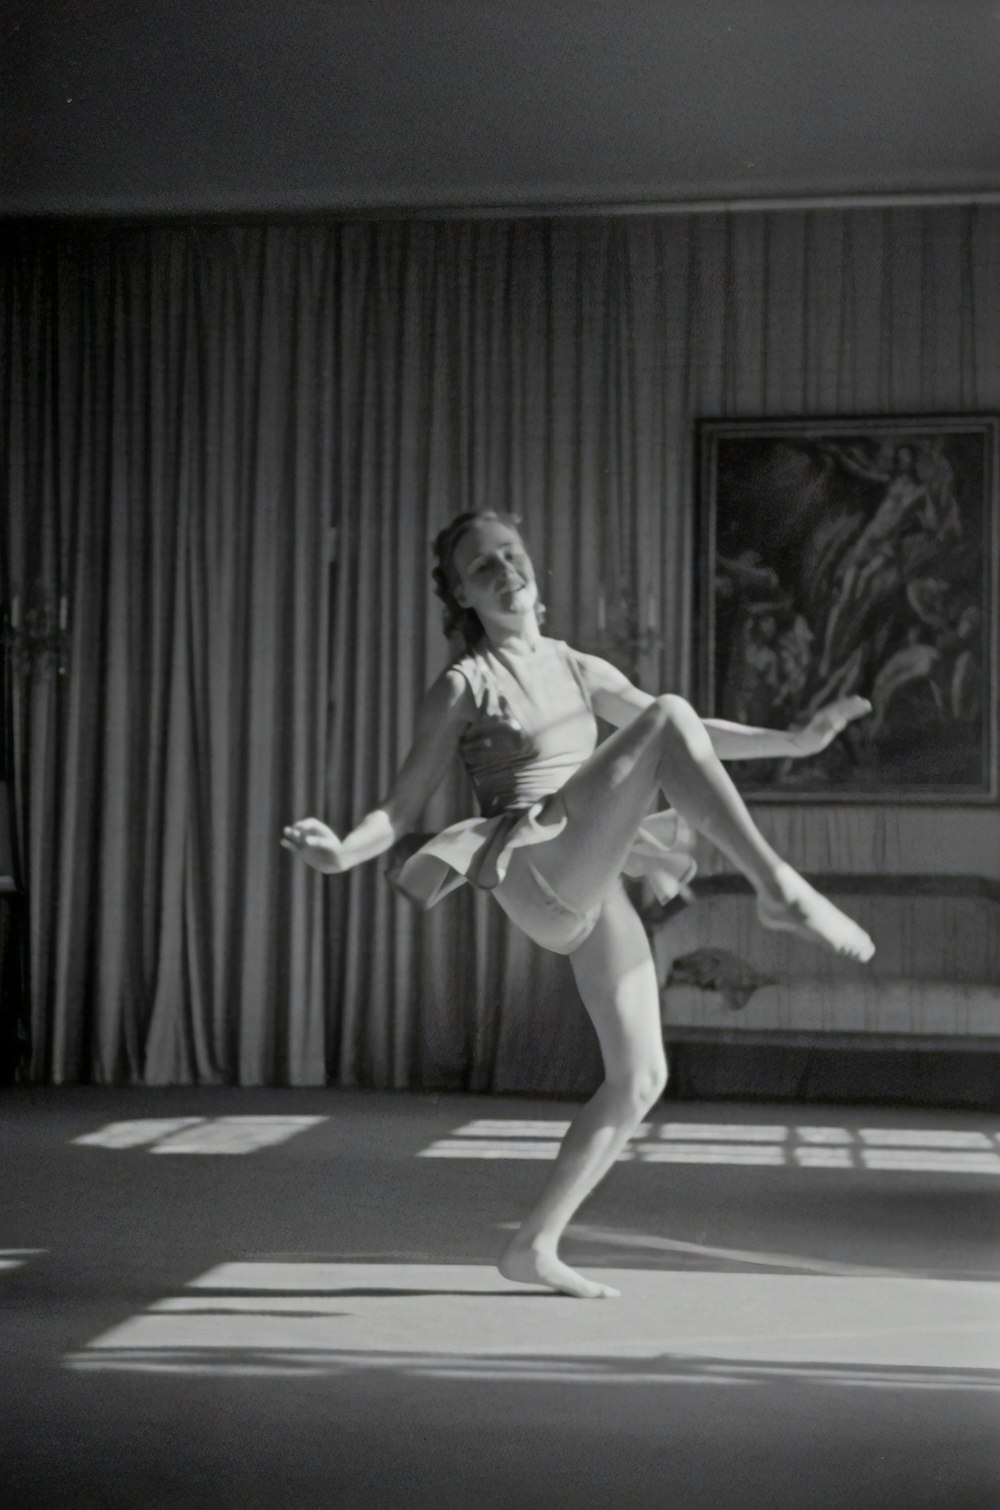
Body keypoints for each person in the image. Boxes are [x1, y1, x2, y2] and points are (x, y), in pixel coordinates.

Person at [283, 511, 874, 1299]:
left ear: (531, 567)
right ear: (460, 593)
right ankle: (776, 889)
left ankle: (534, 1244)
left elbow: (694, 736)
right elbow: (400, 806)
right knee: (664, 715)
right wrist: (341, 852)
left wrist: (795, 743)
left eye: (510, 553)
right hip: (534, 864)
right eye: (480, 564)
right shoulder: (464, 682)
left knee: (640, 1075)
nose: (502, 568)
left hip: (588, 881)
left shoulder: (576, 665)